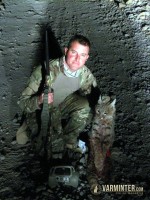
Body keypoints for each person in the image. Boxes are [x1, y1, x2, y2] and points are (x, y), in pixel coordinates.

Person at [16, 34, 99, 158]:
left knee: (86, 108)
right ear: (66, 51)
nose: (77, 59)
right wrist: (39, 100)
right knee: (48, 150)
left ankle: (70, 142)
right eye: (73, 52)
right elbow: (22, 102)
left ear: (86, 57)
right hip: (42, 109)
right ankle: (30, 127)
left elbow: (96, 99)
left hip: (61, 104)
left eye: (82, 55)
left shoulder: (85, 74)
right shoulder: (44, 70)